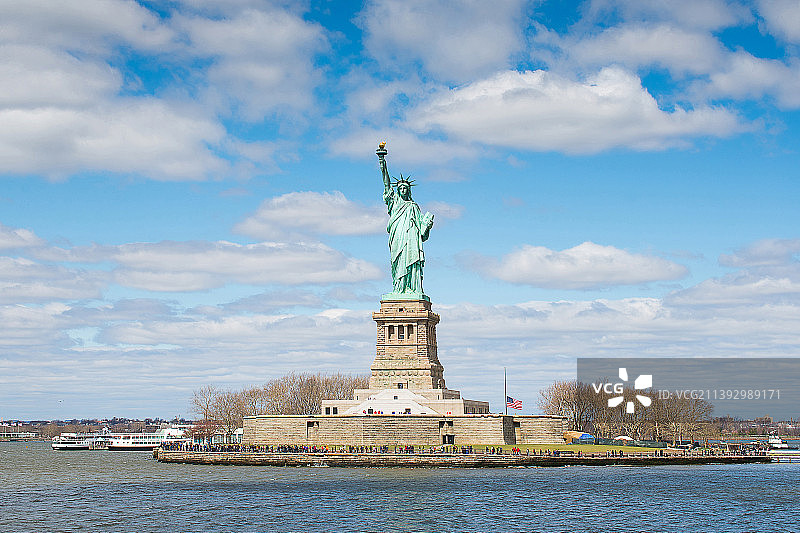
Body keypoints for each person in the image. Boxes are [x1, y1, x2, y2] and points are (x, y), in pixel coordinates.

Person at [377, 143, 434, 296]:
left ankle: (413, 288)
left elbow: (422, 232)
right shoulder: (394, 202)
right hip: (397, 236)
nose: (402, 190)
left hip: (411, 239)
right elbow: (386, 184)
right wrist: (382, 162)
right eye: (400, 188)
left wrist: (427, 225)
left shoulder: (414, 206)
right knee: (398, 262)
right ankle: (399, 288)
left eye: (405, 188)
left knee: (412, 260)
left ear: (409, 191)